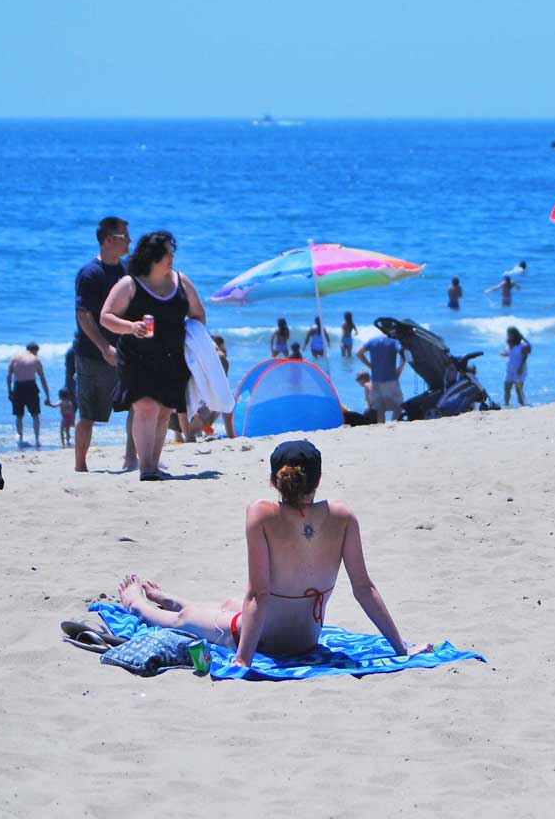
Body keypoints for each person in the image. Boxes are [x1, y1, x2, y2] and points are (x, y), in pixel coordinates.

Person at [115, 440, 432, 668]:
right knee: (228, 603)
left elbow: (259, 596)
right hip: (307, 638)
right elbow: (365, 589)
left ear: (274, 480)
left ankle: (140, 603)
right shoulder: (343, 516)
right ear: (318, 479)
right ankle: (174, 598)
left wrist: (243, 659)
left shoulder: (262, 514)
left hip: (267, 641)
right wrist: (401, 648)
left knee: (185, 620)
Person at [100, 230, 207, 482]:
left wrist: (200, 342)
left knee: (164, 411)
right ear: (151, 256)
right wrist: (130, 326)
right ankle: (146, 468)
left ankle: (153, 465)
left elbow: (198, 315)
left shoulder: (181, 282)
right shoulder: (130, 284)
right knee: (146, 407)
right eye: (166, 253)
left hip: (172, 357)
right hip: (137, 357)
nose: (171, 257)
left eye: (172, 252)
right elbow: (106, 317)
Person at [73, 217, 138, 473]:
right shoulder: (90, 273)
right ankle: (80, 466)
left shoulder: (125, 271)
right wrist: (103, 347)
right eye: (125, 236)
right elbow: (83, 314)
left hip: (124, 352)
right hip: (91, 353)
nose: (130, 241)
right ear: (110, 240)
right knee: (88, 414)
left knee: (136, 405)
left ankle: (130, 459)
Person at [6, 342, 52, 448]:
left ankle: (20, 439)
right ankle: (37, 440)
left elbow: (8, 376)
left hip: (18, 387)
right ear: (35, 350)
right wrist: (47, 395)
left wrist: (9, 391)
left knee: (19, 415)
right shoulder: (35, 360)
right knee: (35, 414)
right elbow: (42, 378)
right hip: (31, 386)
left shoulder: (15, 358)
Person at [356, 332, 406, 423]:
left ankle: (381, 425)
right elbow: (403, 353)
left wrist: (369, 365)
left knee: (380, 407)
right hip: (391, 378)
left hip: (376, 379)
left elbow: (359, 353)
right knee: (398, 405)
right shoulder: (393, 341)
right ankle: (394, 423)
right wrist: (400, 368)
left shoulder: (372, 341)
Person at [500, 326, 531, 406]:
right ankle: (506, 405)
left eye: (510, 334)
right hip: (509, 369)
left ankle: (522, 404)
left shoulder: (522, 344)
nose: (509, 336)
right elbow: (506, 352)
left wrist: (520, 368)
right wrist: (503, 353)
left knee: (518, 389)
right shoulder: (510, 343)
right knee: (507, 388)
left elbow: (525, 357)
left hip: (520, 369)